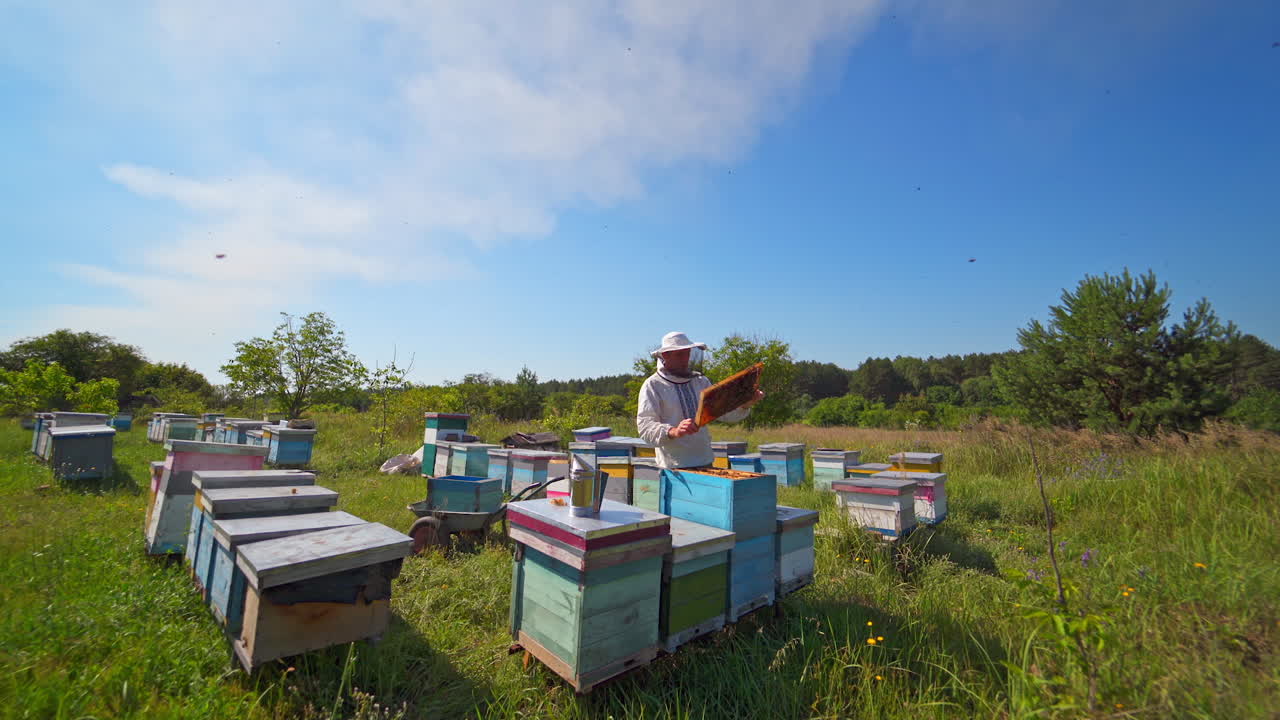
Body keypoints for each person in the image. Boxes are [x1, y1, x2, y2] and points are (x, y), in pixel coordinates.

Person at [636, 331, 764, 469]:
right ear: (665, 356)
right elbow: (645, 427)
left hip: (705, 461)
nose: (685, 359)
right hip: (673, 467)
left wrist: (744, 405)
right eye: (679, 354)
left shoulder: (700, 382)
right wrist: (673, 431)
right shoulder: (653, 385)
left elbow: (723, 413)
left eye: (687, 353)